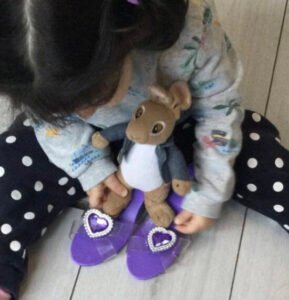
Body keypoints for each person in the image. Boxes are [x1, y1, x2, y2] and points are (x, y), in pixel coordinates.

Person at [1, 0, 289, 298]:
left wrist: (211, 187)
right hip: (98, 139)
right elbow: (48, 125)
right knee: (10, 160)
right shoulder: (26, 66)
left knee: (259, 156)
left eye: (94, 99)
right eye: (65, 109)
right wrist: (88, 165)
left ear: (123, 36)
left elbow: (219, 107)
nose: (82, 114)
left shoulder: (188, 33)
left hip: (184, 128)